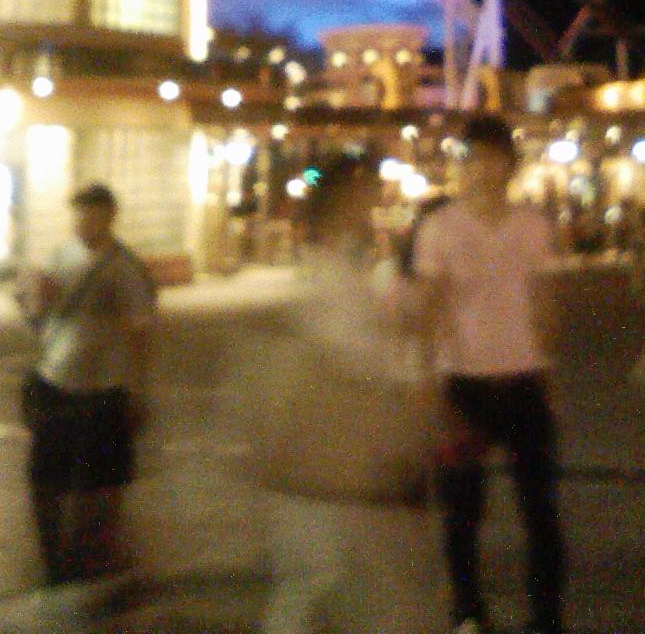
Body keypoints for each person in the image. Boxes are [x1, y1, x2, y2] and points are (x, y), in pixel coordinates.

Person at [239, 154, 443, 634]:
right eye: (363, 201)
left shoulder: (344, 270)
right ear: (338, 208)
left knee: (327, 578)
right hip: (325, 454)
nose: (371, 212)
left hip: (332, 459)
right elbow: (349, 360)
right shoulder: (326, 277)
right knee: (318, 577)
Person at [412, 115, 566, 634]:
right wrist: (428, 382)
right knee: (461, 510)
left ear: (509, 165)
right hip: (465, 386)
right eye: (471, 159)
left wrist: (548, 377)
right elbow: (429, 309)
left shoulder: (533, 225)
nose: (480, 169)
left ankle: (546, 614)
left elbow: (544, 303)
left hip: (523, 380)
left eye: (490, 159)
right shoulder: (439, 228)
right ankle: (468, 612)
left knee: (540, 508)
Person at [19, 182, 156, 585]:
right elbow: (37, 319)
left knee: (98, 485)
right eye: (78, 214)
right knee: (44, 480)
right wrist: (34, 301)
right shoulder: (60, 257)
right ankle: (53, 563)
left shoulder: (125, 266)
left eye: (91, 214)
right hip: (55, 382)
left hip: (103, 391)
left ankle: (90, 561)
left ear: (110, 216)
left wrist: (137, 389)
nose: (82, 222)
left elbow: (140, 332)